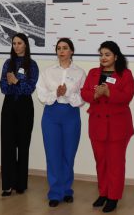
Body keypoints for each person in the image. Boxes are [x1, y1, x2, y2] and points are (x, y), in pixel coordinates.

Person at [81, 41, 134, 213]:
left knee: (115, 164)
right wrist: (95, 94)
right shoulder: (93, 72)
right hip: (97, 125)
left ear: (116, 57)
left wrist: (109, 92)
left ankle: (113, 197)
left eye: (107, 54)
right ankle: (103, 193)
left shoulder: (125, 74)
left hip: (118, 126)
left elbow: (127, 96)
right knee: (101, 162)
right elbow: (84, 92)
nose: (103, 58)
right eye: (101, 54)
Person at [36, 38, 86, 207]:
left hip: (71, 114)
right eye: (59, 48)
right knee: (53, 154)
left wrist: (67, 94)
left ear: (71, 51)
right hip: (51, 114)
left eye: (65, 48)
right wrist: (56, 94)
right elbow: (41, 94)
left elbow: (83, 97)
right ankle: (55, 193)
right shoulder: (48, 72)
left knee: (69, 154)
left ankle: (66, 190)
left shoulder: (80, 72)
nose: (61, 51)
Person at [0, 33, 39, 196]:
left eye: (19, 43)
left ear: (26, 45)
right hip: (9, 105)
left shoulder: (32, 64)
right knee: (7, 145)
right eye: (14, 43)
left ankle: (21, 183)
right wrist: (10, 83)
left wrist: (16, 81)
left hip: (25, 106)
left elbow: (30, 88)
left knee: (23, 145)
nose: (16, 46)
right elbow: (3, 87)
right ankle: (7, 184)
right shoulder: (8, 63)